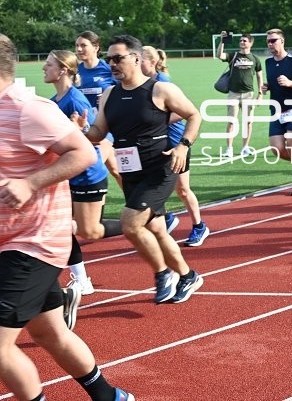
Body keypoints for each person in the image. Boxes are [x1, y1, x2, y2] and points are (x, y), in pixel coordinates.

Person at [0, 33, 135, 401]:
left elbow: (84, 153)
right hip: (8, 240)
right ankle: (110, 397)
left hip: (34, 241)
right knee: (48, 332)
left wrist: (31, 183)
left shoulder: (28, 109)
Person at [76, 35, 204, 303]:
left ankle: (162, 274)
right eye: (109, 59)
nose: (111, 63)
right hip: (130, 169)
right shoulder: (110, 94)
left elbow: (194, 115)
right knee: (156, 228)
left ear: (135, 58)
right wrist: (83, 129)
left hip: (160, 167)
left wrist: (183, 146)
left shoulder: (159, 90)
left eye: (117, 58)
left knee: (130, 223)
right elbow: (99, 132)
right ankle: (187, 275)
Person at [44, 50, 126, 297]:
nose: (43, 68)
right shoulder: (54, 101)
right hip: (68, 174)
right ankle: (81, 279)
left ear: (63, 71)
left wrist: (79, 131)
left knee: (90, 230)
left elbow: (95, 137)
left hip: (88, 173)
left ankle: (140, 222)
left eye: (48, 65)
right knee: (60, 226)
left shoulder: (76, 100)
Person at [140, 46, 211, 246]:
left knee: (182, 189)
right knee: (150, 185)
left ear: (152, 62)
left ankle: (199, 226)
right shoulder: (142, 84)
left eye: (140, 60)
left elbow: (184, 111)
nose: (137, 64)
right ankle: (167, 217)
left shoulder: (163, 82)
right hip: (156, 144)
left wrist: (157, 122)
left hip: (176, 142)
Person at [259, 29, 292, 196]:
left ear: (282, 41)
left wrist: (290, 82)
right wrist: (267, 87)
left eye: (273, 40)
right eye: (268, 41)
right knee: (276, 149)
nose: (270, 44)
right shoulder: (268, 62)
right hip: (276, 109)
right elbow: (275, 82)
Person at [74, 31, 122, 188]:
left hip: (105, 128)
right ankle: (141, 206)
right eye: (77, 46)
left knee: (91, 165)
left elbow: (124, 91)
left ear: (96, 47)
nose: (79, 49)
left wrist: (111, 98)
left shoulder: (108, 69)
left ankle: (92, 208)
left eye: (83, 45)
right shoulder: (76, 72)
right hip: (85, 129)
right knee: (116, 170)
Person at [216, 31, 264, 159]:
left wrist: (260, 94)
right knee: (231, 121)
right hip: (233, 94)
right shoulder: (233, 56)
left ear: (250, 43)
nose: (242, 42)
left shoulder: (255, 59)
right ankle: (229, 149)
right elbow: (219, 55)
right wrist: (222, 41)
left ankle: (245, 148)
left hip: (249, 94)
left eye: (245, 41)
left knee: (248, 122)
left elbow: (260, 77)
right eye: (241, 40)